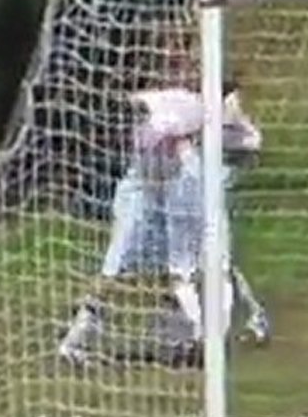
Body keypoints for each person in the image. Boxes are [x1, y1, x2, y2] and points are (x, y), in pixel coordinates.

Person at [58, 80, 270, 368]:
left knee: (208, 259)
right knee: (118, 264)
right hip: (144, 188)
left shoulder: (185, 107)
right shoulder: (149, 111)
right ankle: (78, 337)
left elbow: (243, 144)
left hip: (180, 185)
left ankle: (231, 324)